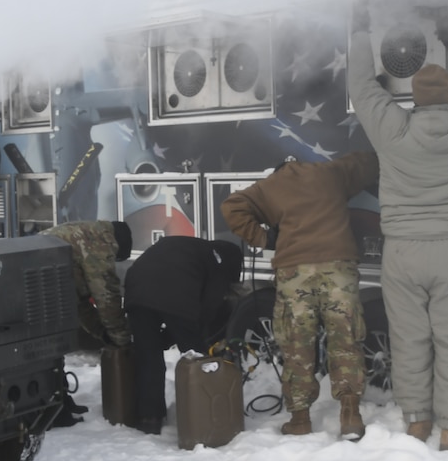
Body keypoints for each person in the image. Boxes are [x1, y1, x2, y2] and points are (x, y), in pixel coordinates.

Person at [347, 0, 448, 452]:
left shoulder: (394, 130)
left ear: (414, 97)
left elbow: (361, 87)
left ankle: (415, 421)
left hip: (403, 251)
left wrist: (359, 32)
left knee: (409, 339)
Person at [221, 152, 379, 440]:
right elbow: (369, 161)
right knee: (345, 339)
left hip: (295, 273)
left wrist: (265, 238)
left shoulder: (272, 185)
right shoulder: (331, 172)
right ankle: (350, 416)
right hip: (338, 268)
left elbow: (232, 207)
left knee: (296, 343)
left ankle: (300, 419)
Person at [123, 236, 244, 434]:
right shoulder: (218, 262)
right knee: (197, 358)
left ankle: (149, 417)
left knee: (148, 358)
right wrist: (191, 339)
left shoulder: (192, 247)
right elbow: (206, 311)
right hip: (176, 294)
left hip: (136, 292)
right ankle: (206, 415)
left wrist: (165, 338)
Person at [41, 220, 133, 350]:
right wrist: (121, 338)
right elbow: (106, 295)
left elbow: (78, 303)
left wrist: (101, 332)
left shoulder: (85, 231)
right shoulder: (100, 241)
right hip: (37, 291)